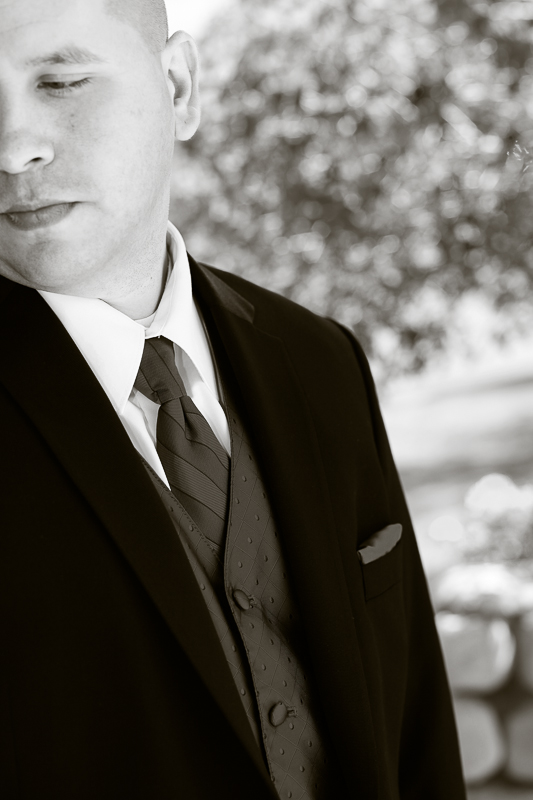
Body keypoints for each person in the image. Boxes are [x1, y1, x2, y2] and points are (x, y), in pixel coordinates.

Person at [0, 1, 466, 798]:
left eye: (61, 81)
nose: (14, 149)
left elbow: (414, 718)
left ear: (179, 87)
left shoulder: (319, 360)